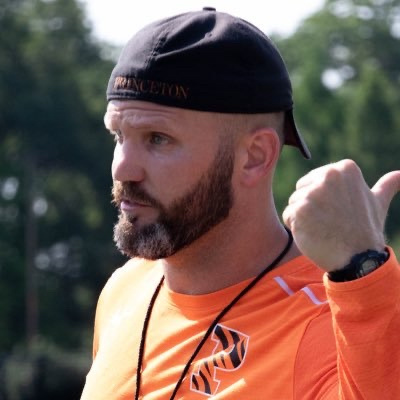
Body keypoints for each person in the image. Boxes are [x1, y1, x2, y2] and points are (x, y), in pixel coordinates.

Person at [81, 8, 400, 399]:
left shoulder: (325, 324)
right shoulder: (125, 290)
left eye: (158, 139)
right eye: (119, 136)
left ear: (254, 156)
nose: (122, 169)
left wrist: (364, 274)